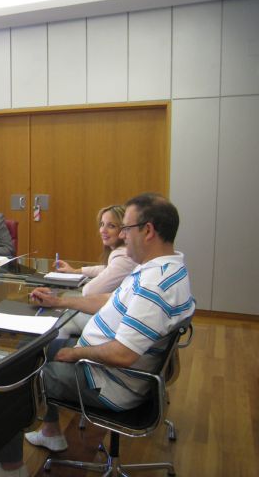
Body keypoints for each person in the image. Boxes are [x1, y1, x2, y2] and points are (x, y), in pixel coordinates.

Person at [23, 193, 195, 453]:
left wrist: (75, 353)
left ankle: (9, 465)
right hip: (106, 370)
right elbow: (109, 299)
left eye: (126, 228)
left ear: (148, 231)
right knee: (35, 348)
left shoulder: (154, 286)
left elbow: (122, 354)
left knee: (16, 377)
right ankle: (50, 431)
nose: (122, 235)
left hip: (106, 382)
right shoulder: (163, 267)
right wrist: (59, 302)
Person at [55, 204, 137, 337]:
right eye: (102, 224)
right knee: (65, 311)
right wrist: (76, 271)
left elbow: (89, 291)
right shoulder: (123, 253)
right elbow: (106, 269)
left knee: (63, 310)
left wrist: (84, 283)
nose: (103, 230)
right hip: (119, 317)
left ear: (123, 230)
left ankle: (55, 347)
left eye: (111, 226)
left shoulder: (123, 256)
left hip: (116, 324)